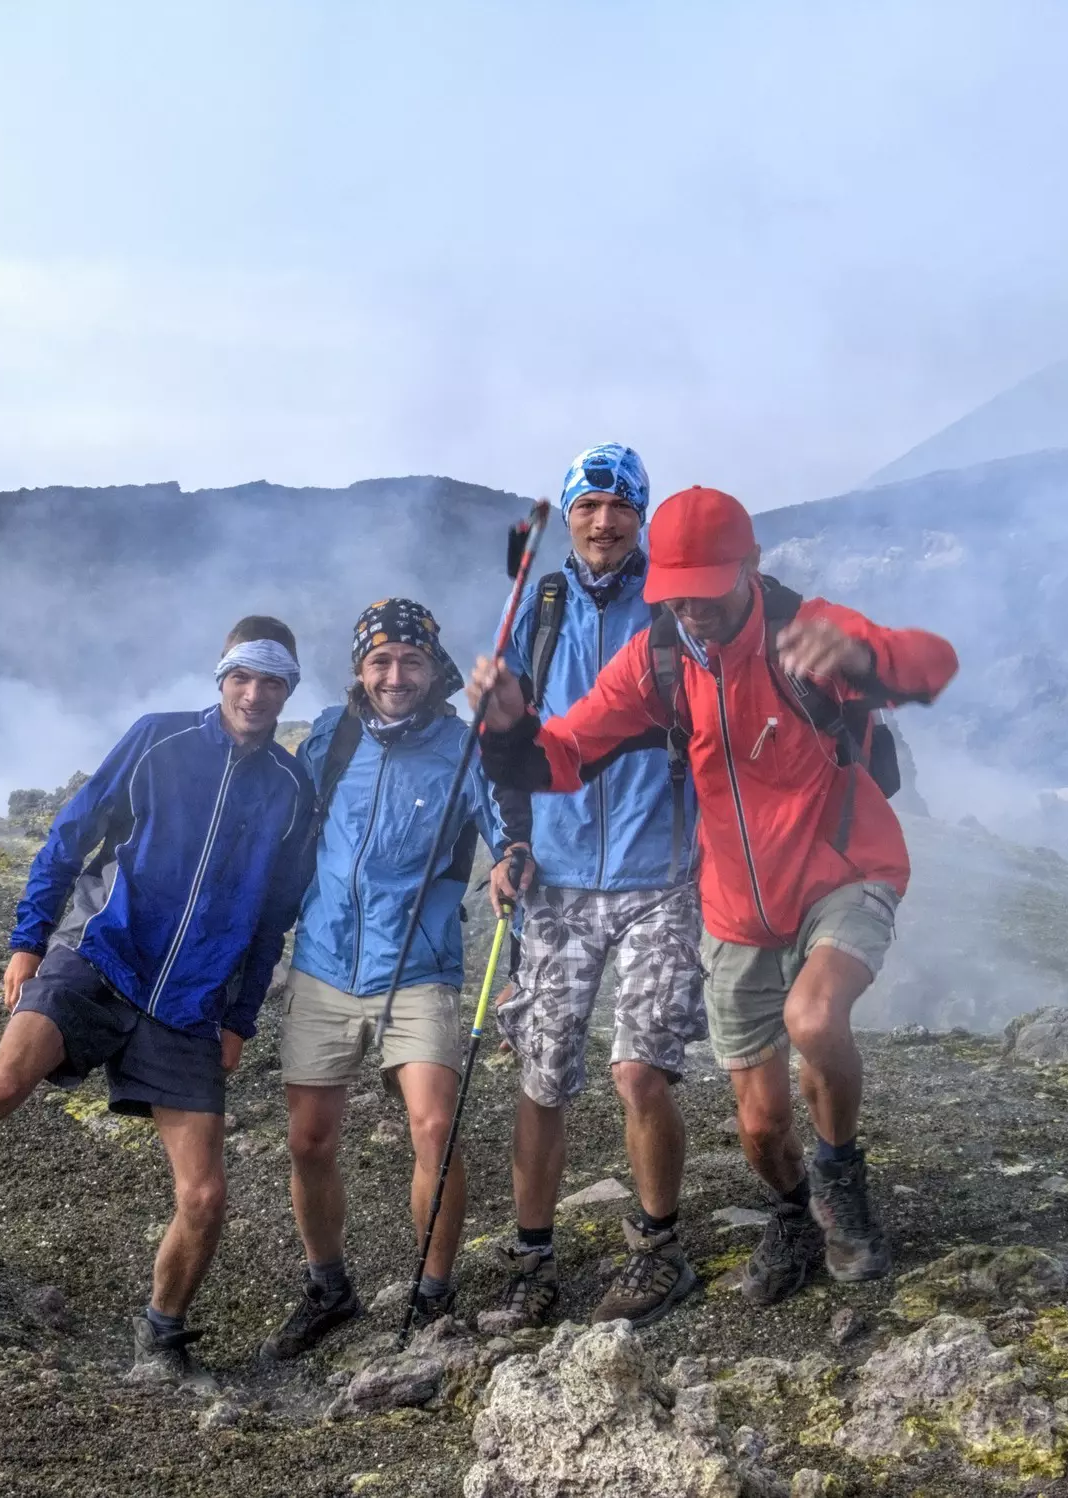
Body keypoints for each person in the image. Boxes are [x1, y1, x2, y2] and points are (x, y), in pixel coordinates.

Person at [470, 486, 957, 1304]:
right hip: (735, 907)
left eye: (708, 588)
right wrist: (511, 724)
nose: (692, 609)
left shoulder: (805, 631)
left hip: (845, 871)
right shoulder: (659, 657)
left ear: (752, 566)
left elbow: (932, 663)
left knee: (814, 1018)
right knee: (761, 1125)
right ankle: (795, 1213)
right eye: (676, 592)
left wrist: (864, 659)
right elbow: (559, 758)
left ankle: (841, 1184)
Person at [0, 617, 315, 1387]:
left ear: (288, 690)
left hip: (189, 1002)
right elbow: (71, 837)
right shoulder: (158, 739)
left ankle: (161, 1341)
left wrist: (239, 1019)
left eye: (272, 680)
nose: (255, 692)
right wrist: (28, 939)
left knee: (205, 1194)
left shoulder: (291, 788)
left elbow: (275, 916)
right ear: (220, 677)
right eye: (242, 675)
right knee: (2, 1084)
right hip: (99, 955)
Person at [475, 444, 710, 1334]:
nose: (603, 520)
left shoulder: (674, 603)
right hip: (561, 874)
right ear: (567, 516)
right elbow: (507, 751)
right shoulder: (538, 612)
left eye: (619, 505)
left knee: (639, 1070)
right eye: (588, 506)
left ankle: (655, 1249)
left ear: (640, 515)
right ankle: (531, 1260)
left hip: (664, 873)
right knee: (543, 1077)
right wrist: (509, 843)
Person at [263, 599, 506, 1358]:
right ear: (360, 672)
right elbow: (289, 825)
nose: (395, 676)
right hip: (326, 962)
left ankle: (433, 1295)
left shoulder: (467, 752)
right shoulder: (330, 740)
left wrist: (512, 863)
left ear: (435, 670)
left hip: (421, 966)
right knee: (310, 1140)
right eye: (380, 662)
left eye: (410, 661)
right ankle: (328, 1287)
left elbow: (508, 830)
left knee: (434, 1126)